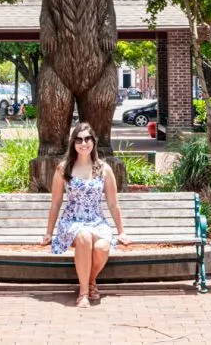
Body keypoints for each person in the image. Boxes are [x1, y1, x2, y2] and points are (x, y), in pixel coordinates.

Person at [40, 122, 131, 308]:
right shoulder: (63, 169)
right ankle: (83, 294)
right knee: (84, 237)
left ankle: (90, 281)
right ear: (73, 143)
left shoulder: (104, 169)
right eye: (79, 139)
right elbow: (56, 203)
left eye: (87, 139)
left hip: (96, 220)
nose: (83, 143)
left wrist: (121, 232)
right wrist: (49, 232)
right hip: (72, 221)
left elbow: (113, 204)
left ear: (93, 142)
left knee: (102, 247)